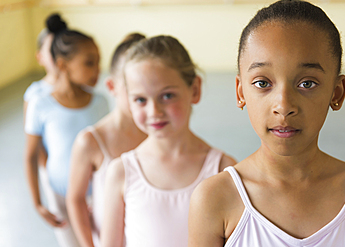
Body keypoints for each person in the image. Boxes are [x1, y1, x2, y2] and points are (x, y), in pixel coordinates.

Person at [188, 1, 345, 246]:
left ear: (336, 93)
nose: (283, 106)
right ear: (240, 92)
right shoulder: (214, 198)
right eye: (263, 83)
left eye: (307, 83)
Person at [100, 35, 237, 247]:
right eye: (140, 100)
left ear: (194, 90)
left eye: (167, 96)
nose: (154, 111)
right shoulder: (121, 172)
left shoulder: (224, 171)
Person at [24, 18, 109, 247]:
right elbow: (32, 155)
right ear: (62, 65)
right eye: (89, 63)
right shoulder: (40, 103)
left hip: (97, 194)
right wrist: (38, 203)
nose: (98, 70)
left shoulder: (100, 102)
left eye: (99, 62)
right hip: (59, 194)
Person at [66, 33, 147, 247]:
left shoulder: (158, 133)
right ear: (112, 87)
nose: (144, 96)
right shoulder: (90, 141)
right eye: (133, 89)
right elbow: (75, 199)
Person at [23, 13, 67, 169]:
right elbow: (35, 140)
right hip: (53, 168)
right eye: (52, 51)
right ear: (39, 56)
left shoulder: (80, 88)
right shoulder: (34, 94)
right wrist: (47, 168)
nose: (58, 57)